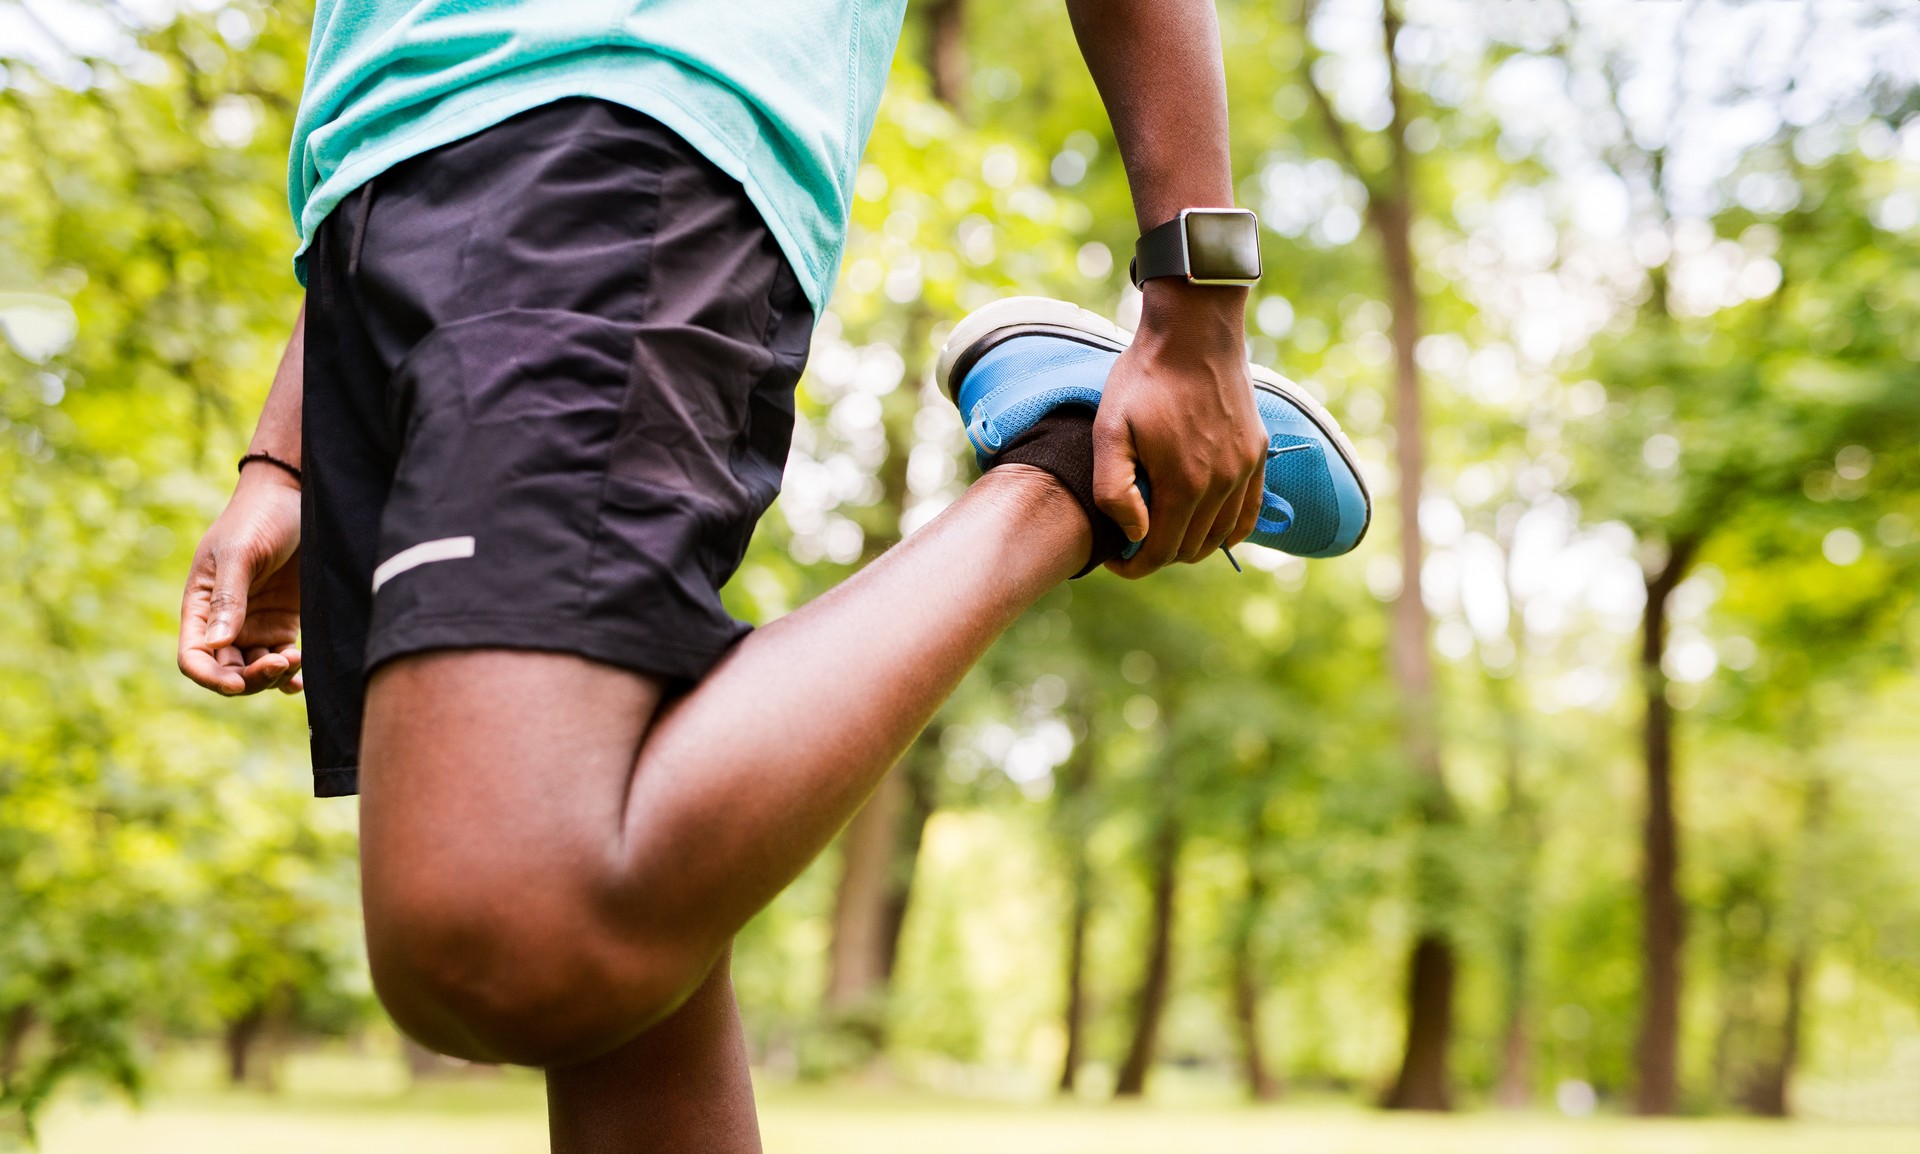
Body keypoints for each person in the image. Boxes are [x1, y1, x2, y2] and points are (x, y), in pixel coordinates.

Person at [174, 1, 1366, 1149]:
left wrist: (1196, 296)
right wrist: (289, 443)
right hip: (380, 205)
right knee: (636, 1005)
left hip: (613, 112)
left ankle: (1056, 469)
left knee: (505, 934)